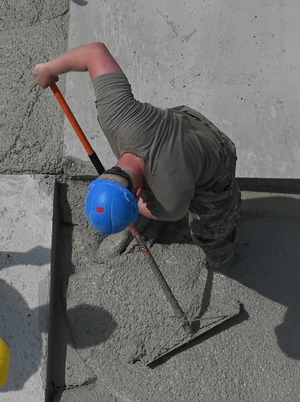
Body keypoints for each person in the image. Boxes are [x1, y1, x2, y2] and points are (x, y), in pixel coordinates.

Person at [32, 42, 242, 268]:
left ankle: (221, 252)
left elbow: (162, 208)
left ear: (139, 193)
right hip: (186, 120)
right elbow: (95, 52)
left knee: (214, 224)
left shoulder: (169, 203)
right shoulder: (117, 117)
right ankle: (123, 208)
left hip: (216, 157)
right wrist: (49, 69)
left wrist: (133, 210)